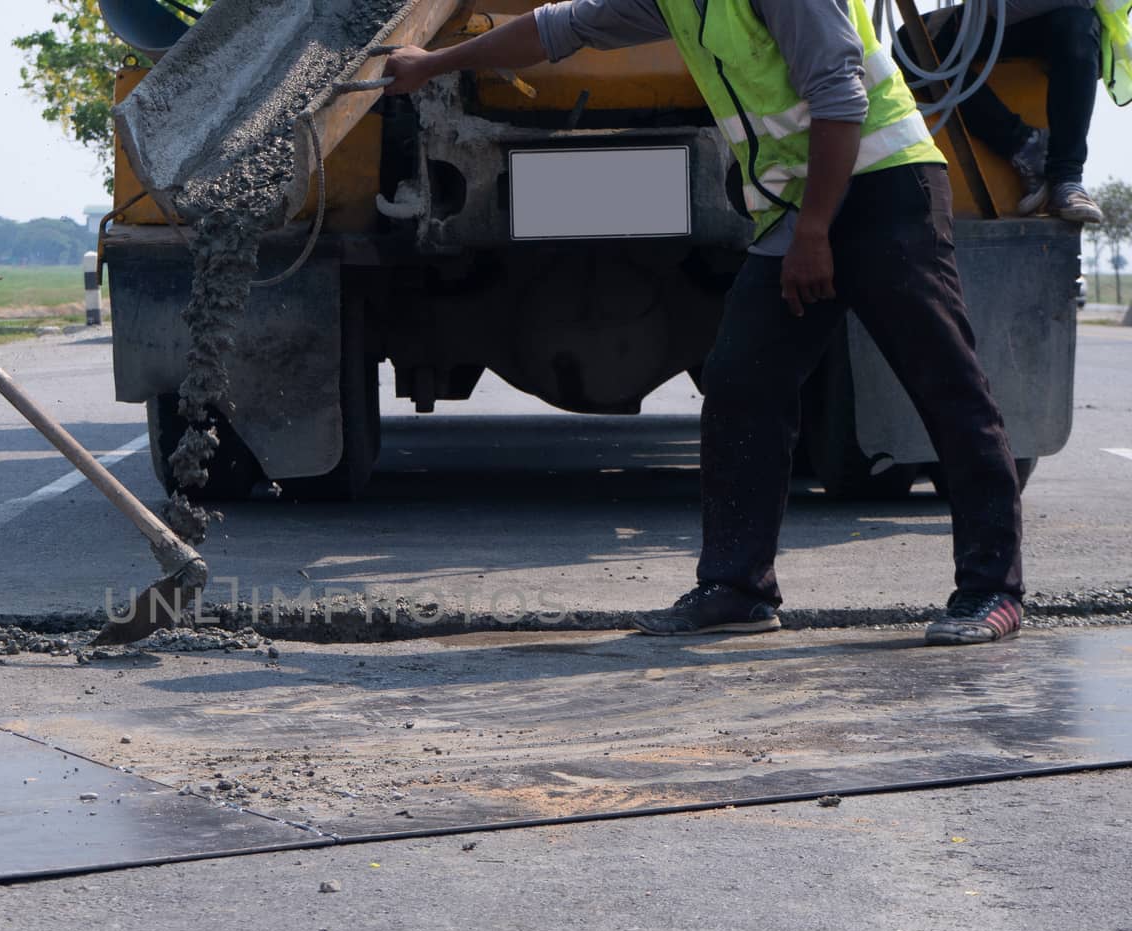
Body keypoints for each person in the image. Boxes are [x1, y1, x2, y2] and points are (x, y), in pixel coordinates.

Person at [386, 0, 1028, 646]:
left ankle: (992, 589)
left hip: (884, 190)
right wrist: (436, 62)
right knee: (742, 382)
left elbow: (840, 95)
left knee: (945, 384)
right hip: (799, 205)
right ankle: (737, 587)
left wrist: (813, 233)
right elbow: (559, 29)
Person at [912, 0, 1105, 222]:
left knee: (1076, 28)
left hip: (1059, 18)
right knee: (911, 42)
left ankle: (1066, 178)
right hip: (995, 16)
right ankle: (1025, 145)